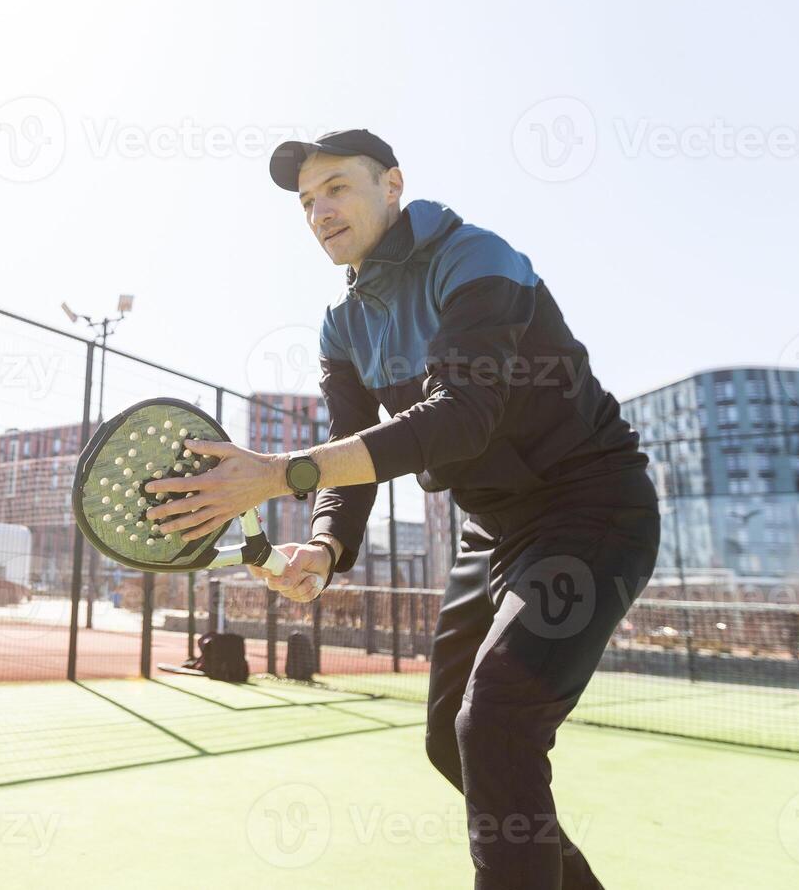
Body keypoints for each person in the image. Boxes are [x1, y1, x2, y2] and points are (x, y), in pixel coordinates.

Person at [145, 129, 660, 889]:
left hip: (591, 505)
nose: (320, 211)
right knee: (451, 743)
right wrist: (322, 546)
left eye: (337, 188)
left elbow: (462, 417)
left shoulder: (474, 256)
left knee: (496, 724)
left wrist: (278, 475)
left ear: (392, 185)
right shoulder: (342, 326)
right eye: (306, 202)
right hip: (492, 529)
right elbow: (349, 449)